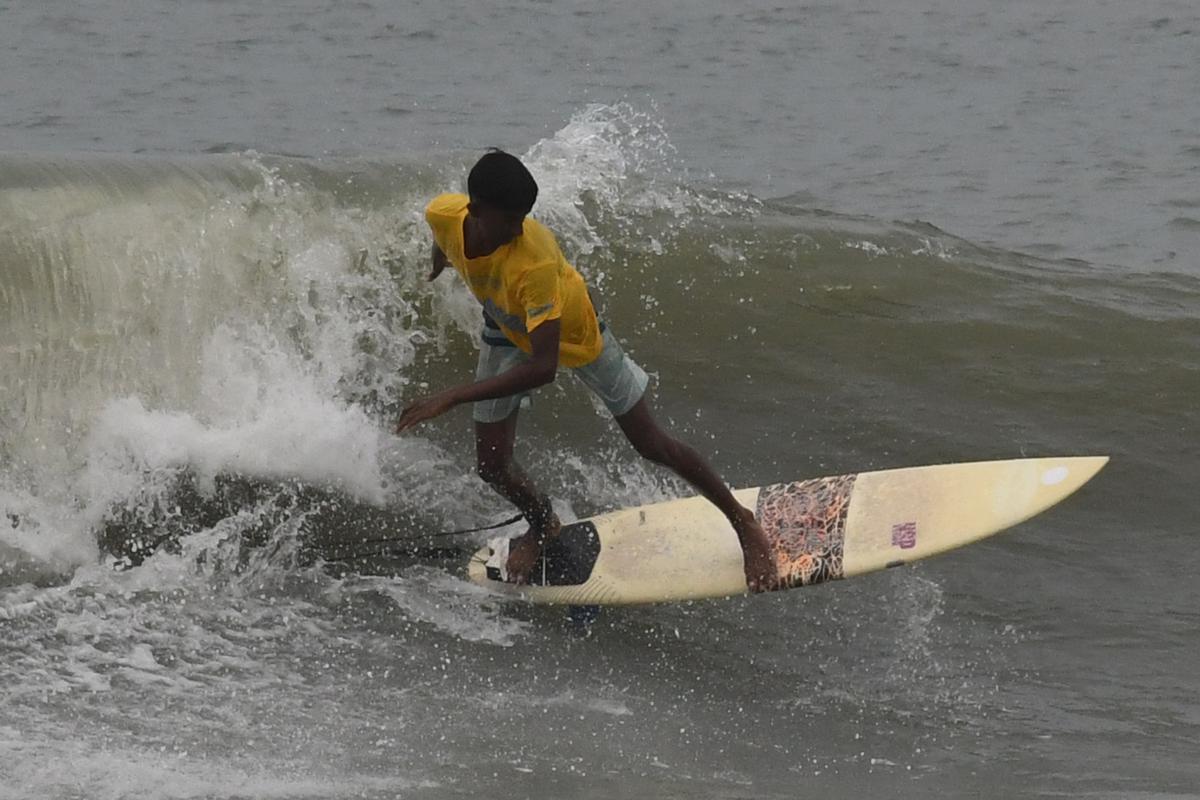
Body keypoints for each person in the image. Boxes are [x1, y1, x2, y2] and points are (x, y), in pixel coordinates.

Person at [395, 149, 779, 592]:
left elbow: (544, 366)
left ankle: (743, 521)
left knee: (652, 443)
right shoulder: (443, 213)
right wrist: (440, 261)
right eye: (510, 220)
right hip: (505, 325)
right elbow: (444, 236)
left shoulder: (532, 261)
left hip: (576, 333)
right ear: (475, 210)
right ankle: (543, 524)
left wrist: (453, 395)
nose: (519, 229)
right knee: (492, 465)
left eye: (524, 219)